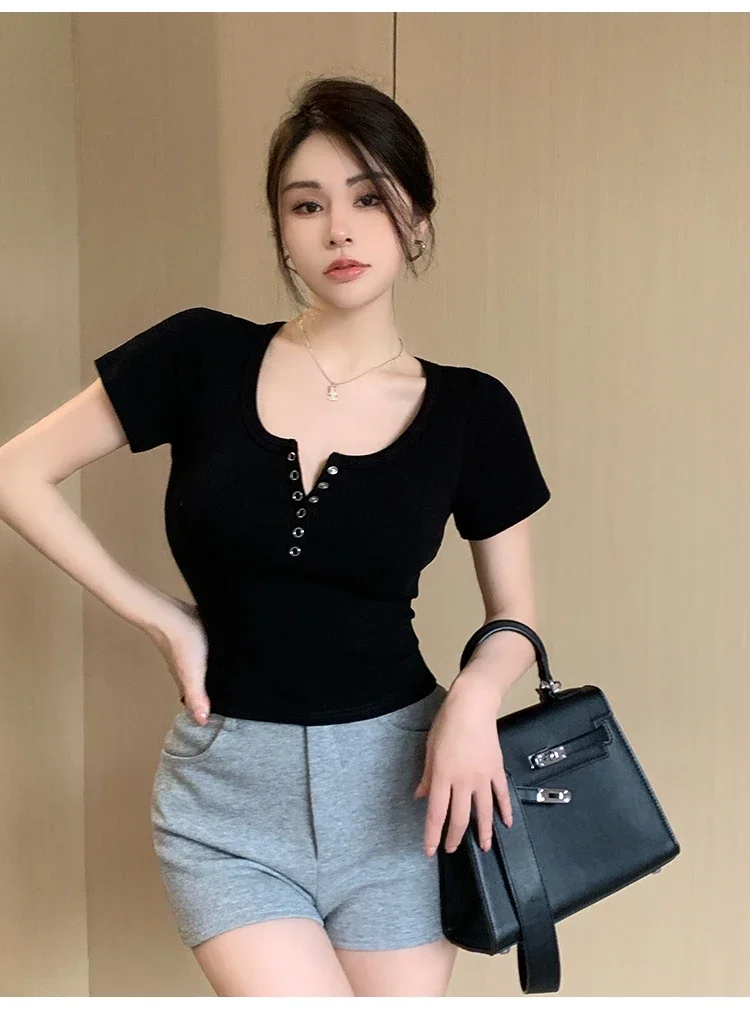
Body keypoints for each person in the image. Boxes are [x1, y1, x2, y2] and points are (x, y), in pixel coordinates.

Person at [0, 75, 551, 996]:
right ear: (282, 230)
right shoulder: (199, 355)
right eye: (307, 205)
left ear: (416, 218)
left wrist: (473, 697)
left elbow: (517, 619)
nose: (339, 229)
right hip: (228, 806)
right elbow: (15, 472)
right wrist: (162, 618)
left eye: (368, 197)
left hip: (406, 795)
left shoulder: (473, 410)